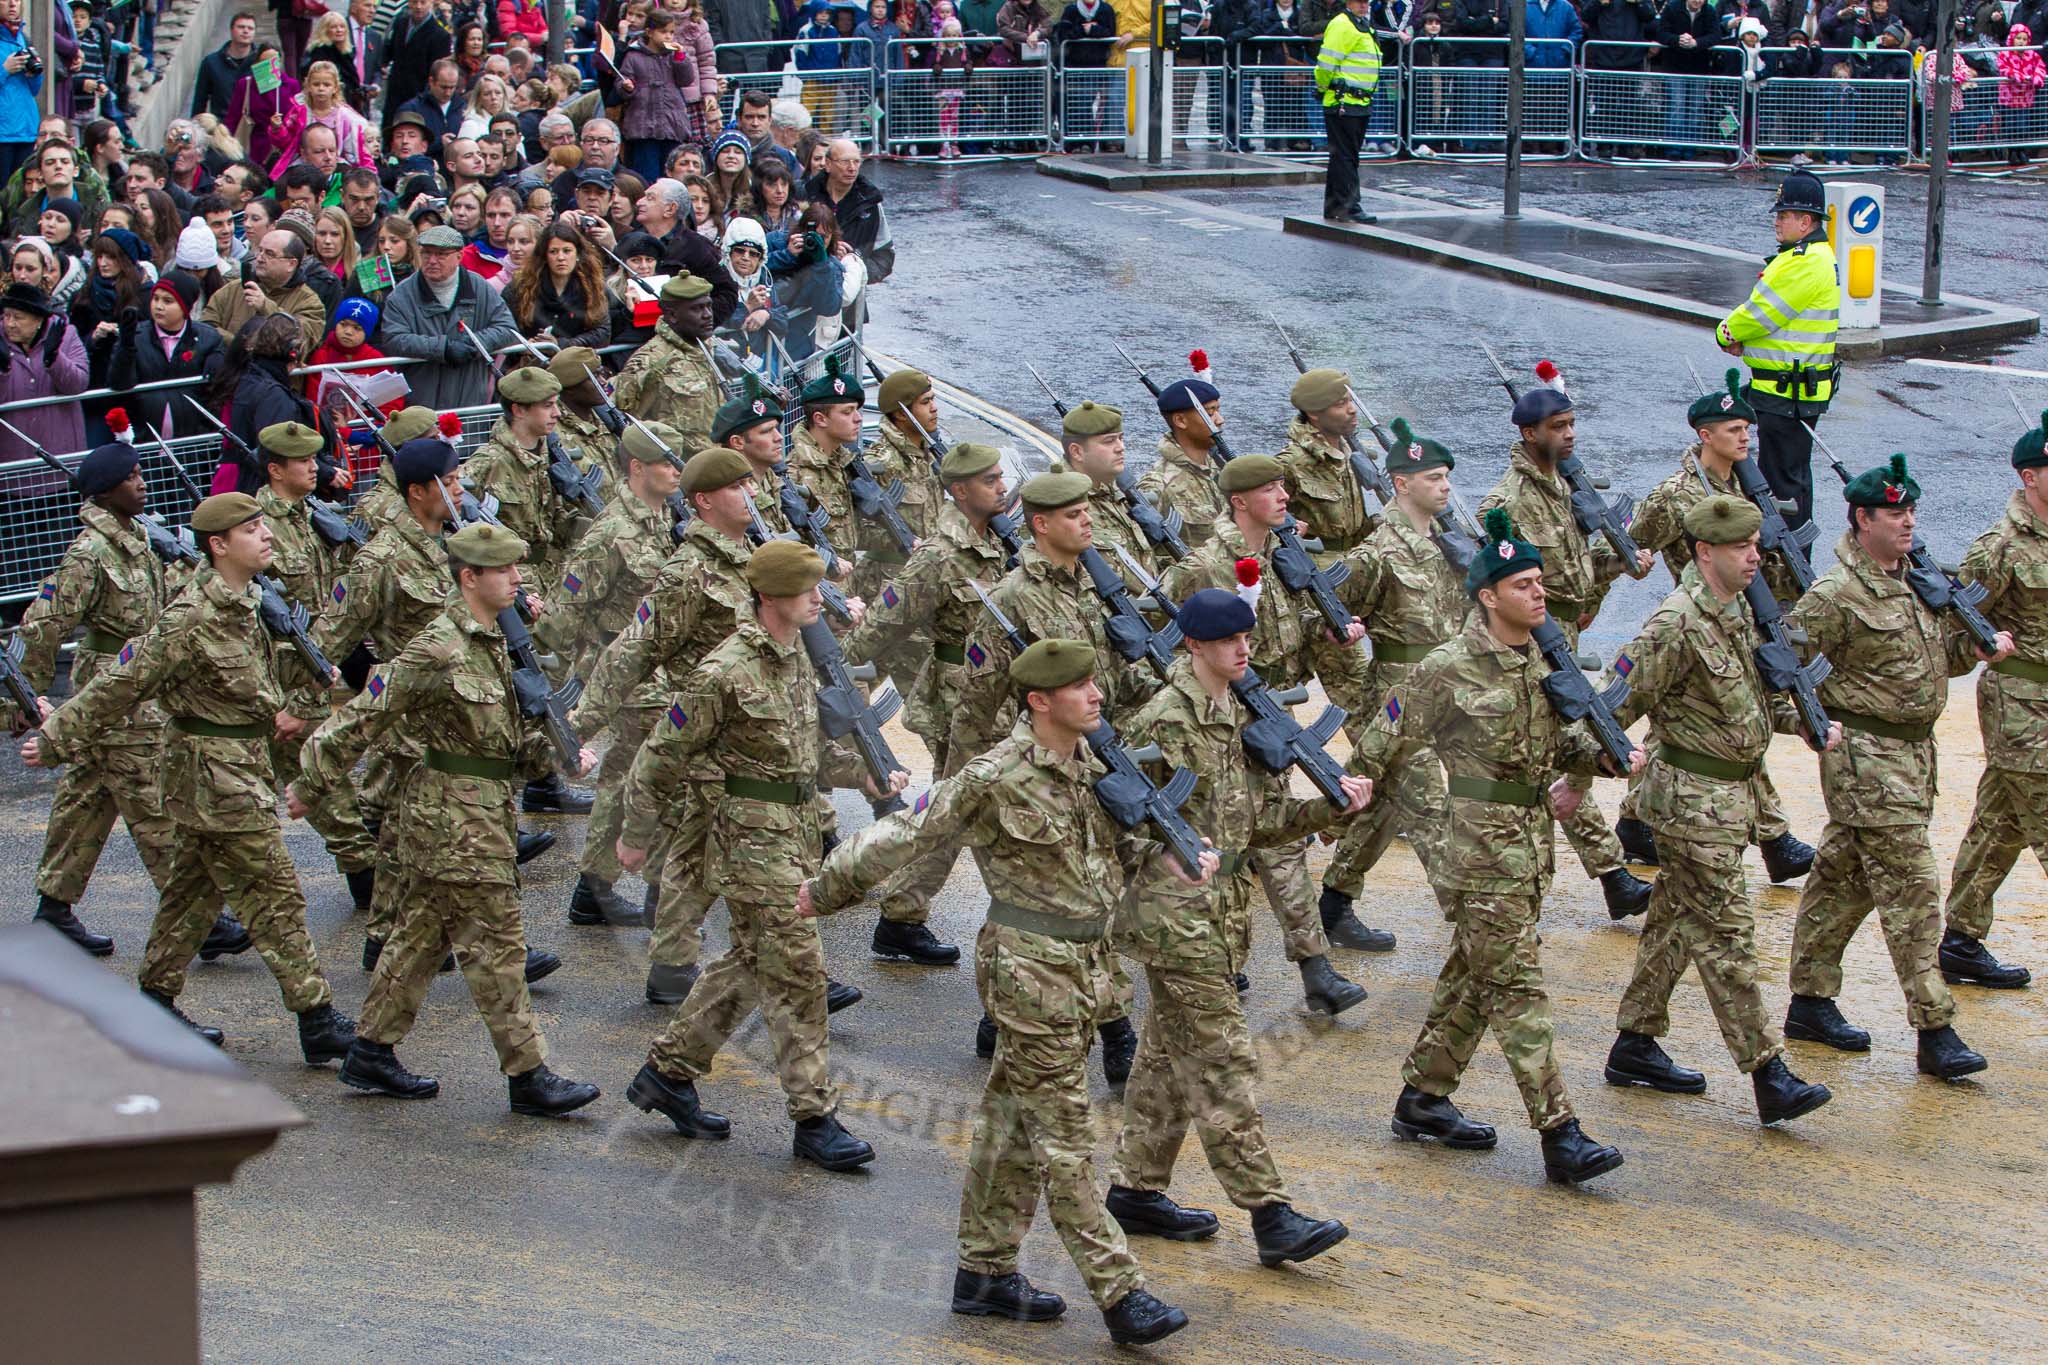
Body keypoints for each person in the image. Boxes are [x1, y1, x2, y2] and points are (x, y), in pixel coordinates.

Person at [803, 638, 1194, 1346]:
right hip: (1030, 973)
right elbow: (912, 829)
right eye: (1077, 686)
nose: (1095, 694)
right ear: (1039, 700)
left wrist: (1166, 852)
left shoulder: (1097, 767)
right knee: (1066, 1141)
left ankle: (983, 1273)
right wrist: (823, 889)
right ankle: (1120, 1291)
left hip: (1087, 968)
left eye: (1092, 681)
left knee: (1011, 1122)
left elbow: (1111, 855)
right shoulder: (996, 774)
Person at [1352, 509, 1634, 1183]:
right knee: (1515, 986)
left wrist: (1604, 756)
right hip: (1477, 850)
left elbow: (1563, 744)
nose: (1540, 593)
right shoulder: (1447, 667)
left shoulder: (1543, 657)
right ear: (1488, 594)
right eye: (1524, 584)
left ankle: (1423, 1096)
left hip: (1528, 844)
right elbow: (1379, 742)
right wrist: (1366, 799)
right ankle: (1559, 1132)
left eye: (1540, 582)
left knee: (1476, 976)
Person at [24, 492, 356, 1061]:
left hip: (238, 767)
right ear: (218, 545)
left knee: (191, 893)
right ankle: (317, 1017)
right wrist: (56, 738)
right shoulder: (189, 618)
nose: (266, 535)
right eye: (251, 530)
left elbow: (294, 670)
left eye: (263, 526)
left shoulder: (255, 602)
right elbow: (120, 684)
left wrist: (302, 696)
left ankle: (153, 1002)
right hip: (212, 777)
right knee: (275, 896)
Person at [298, 519, 602, 1117]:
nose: (518, 578)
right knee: (499, 945)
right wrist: (312, 780)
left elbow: (508, 739)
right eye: (505, 570)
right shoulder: (438, 645)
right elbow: (367, 712)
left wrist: (563, 756)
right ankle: (529, 1075)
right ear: (470, 577)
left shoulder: (497, 642)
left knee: (421, 935)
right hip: (453, 819)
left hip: (481, 806)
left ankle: (370, 1051)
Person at [620, 535, 903, 1169]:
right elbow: (662, 754)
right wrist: (635, 836)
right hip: (749, 839)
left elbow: (801, 754)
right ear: (771, 596)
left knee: (750, 961)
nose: (819, 601)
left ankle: (669, 1072)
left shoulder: (796, 656)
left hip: (793, 831)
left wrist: (862, 774)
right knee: (799, 968)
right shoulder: (724, 671)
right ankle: (814, 1118)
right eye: (808, 591)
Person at [1104, 587, 1362, 1261]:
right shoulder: (1167, 718)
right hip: (1174, 920)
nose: (1242, 648)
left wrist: (1331, 806)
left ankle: (1134, 1189)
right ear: (1193, 645)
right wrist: (1160, 852)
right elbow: (1115, 820)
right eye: (1227, 640)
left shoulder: (1237, 714)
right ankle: (1271, 1214)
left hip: (1220, 915)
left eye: (1246, 637)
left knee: (1164, 1058)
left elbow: (1259, 824)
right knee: (1224, 1062)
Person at [1600, 495, 1840, 1127]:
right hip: (1691, 810)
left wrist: (1804, 723)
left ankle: (1635, 1044)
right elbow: (1611, 708)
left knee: (1674, 923)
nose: (1755, 556)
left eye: (1756, 546)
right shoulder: (1675, 624)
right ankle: (1769, 1075)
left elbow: (1752, 702)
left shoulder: (1737, 614)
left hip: (1732, 803)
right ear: (1706, 551)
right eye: (1742, 548)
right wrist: (1577, 773)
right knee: (1729, 938)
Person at [1779, 456, 2004, 1079]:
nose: (1907, 523)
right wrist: (1802, 722)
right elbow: (1781, 669)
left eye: (1910, 512)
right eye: (1894, 513)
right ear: (1861, 519)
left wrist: (1975, 646)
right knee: (1913, 895)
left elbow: (1932, 661)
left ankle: (1810, 999)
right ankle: (1936, 1030)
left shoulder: (1916, 581)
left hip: (1912, 756)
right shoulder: (1834, 596)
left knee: (1842, 879)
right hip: (1866, 762)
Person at [1159, 454, 1378, 1009]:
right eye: (1270, 488)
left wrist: (1327, 634)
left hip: (1268, 711)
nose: (1284, 496)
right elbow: (1170, 644)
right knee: (1209, 839)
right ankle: (1208, 962)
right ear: (1238, 501)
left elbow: (1282, 631)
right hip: (1213, 717)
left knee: (1276, 840)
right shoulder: (1207, 566)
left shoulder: (1283, 556)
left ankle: (1315, 967)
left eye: (1283, 485)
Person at [1617, 369, 1816, 883]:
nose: (1745, 437)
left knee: (1704, 721)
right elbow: (1625, 546)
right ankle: (1775, 838)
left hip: (1746, 615)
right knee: (1726, 720)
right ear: (1705, 436)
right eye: (1733, 429)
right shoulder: (1675, 495)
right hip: (1697, 618)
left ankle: (1636, 819)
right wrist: (1593, 595)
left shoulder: (1753, 488)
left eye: (1747, 429)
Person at [1479, 375, 1655, 917]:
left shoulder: (1567, 487)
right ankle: (1610, 874)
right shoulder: (1506, 505)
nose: (1571, 434)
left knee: (1559, 748)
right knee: (1556, 746)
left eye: (1573, 423)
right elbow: (1510, 585)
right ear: (1529, 434)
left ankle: (1612, 878)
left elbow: (1575, 570)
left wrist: (1620, 567)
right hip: (1533, 640)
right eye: (1559, 427)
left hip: (1566, 632)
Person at [841, 439, 1008, 963]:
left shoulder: (1002, 543)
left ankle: (900, 916)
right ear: (959, 492)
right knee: (965, 811)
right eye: (989, 481)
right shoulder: (938, 556)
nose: (1002, 487)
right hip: (962, 703)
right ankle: (882, 899)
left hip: (999, 696)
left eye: (1002, 478)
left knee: (953, 811)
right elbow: (879, 627)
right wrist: (836, 677)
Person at [10, 442, 179, 957]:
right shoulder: (90, 553)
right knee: (152, 797)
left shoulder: (138, 538)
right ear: (106, 493)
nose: (143, 483)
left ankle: (54, 910)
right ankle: (196, 912)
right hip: (111, 693)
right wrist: (27, 695)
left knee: (87, 797)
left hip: (138, 683)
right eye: (132, 477)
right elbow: (43, 625)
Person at [1317, 420, 1464, 942]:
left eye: (1447, 477)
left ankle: (1333, 904)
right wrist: (1341, 639)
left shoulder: (1451, 546)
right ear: (1402, 484)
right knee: (1430, 809)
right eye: (1434, 478)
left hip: (1449, 690)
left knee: (1382, 805)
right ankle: (1476, 924)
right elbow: (1324, 616)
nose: (1446, 486)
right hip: (1401, 696)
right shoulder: (1375, 553)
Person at [556, 419, 685, 928]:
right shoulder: (610, 532)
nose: (676, 471)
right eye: (665, 463)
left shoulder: (659, 520)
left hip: (654, 669)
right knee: (630, 777)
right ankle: (604, 887)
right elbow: (568, 610)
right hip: (625, 673)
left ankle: (599, 887)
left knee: (631, 776)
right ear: (636, 468)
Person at [1938, 413, 2048, 990]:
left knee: (2002, 818)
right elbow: (1960, 623)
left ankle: (1960, 938)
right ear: (2030, 477)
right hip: (2019, 701)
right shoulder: (1998, 548)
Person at [1716, 170, 1838, 535]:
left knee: (1782, 487)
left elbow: (1761, 313)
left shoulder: (1803, 261)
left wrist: (1726, 334)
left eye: (1783, 215)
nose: (1777, 222)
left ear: (1806, 221)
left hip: (1786, 393)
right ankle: (1787, 559)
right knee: (1789, 480)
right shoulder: (1807, 256)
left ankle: (1788, 565)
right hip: (1788, 389)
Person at [378, 222, 522, 409]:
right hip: (422, 404)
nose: (432, 260)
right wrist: (443, 348)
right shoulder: (402, 295)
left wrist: (474, 344)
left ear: (459, 256)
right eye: (427, 253)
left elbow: (507, 329)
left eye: (441, 254)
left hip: (470, 399)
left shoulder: (479, 287)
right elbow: (394, 339)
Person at [109, 271, 226, 440]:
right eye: (155, 298)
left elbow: (219, 390)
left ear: (185, 306)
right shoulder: (136, 336)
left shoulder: (208, 339)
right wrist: (125, 348)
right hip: (145, 441)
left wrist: (218, 359)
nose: (158, 306)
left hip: (193, 441)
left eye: (168, 301)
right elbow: (119, 383)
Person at [611, 271, 721, 448]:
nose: (707, 314)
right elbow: (622, 420)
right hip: (675, 467)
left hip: (713, 459)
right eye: (697, 308)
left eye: (708, 306)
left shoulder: (705, 350)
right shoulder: (650, 360)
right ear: (672, 315)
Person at [202, 228, 328, 357]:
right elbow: (206, 327)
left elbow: (301, 340)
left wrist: (265, 306)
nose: (260, 258)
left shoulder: (310, 302)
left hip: (277, 376)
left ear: (291, 264)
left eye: (270, 254)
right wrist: (240, 344)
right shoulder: (232, 289)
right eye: (260, 250)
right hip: (231, 372)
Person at [1135, 377, 1227, 554]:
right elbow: (1152, 554)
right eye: (1210, 413)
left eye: (1218, 411)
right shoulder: (1159, 484)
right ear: (1180, 421)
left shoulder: (1223, 468)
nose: (1220, 420)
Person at [0, 283, 88, 468]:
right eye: (6, 316)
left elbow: (78, 384)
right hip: (12, 461)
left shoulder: (66, 335)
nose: (10, 324)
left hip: (61, 457)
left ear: (38, 319)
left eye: (18, 317)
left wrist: (55, 359)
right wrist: (3, 370)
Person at [1313, 0, 1381, 224]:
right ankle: (1349, 206)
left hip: (1357, 101)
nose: (1363, 5)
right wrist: (1323, 87)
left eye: (1366, 2)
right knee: (1346, 156)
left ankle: (1334, 205)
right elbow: (1326, 62)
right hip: (1343, 101)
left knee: (1343, 155)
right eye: (1358, 1)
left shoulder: (1360, 24)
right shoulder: (1342, 24)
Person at [615, 9, 701, 182]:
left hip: (672, 123)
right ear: (649, 32)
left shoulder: (673, 55)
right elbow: (622, 82)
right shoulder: (633, 55)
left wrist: (680, 57)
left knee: (673, 171)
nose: (668, 37)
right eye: (663, 32)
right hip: (643, 126)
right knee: (646, 175)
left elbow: (686, 79)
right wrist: (627, 87)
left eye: (671, 32)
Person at [504, 221, 612, 350]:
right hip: (529, 361)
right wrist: (527, 344)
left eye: (567, 251)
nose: (561, 257)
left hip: (576, 361)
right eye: (553, 251)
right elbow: (504, 327)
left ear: (577, 254)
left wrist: (561, 345)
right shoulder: (520, 287)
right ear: (545, 256)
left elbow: (603, 332)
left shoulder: (593, 286)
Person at [806, 137, 892, 283]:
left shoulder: (870, 203)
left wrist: (854, 267)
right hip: (809, 288)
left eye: (857, 161)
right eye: (845, 161)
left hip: (853, 293)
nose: (852, 168)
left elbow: (884, 256)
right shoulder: (806, 198)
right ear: (828, 164)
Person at [192, 9, 261, 120]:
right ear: (231, 30)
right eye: (241, 27)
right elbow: (200, 101)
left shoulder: (261, 63)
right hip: (222, 127)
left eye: (250, 28)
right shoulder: (211, 63)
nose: (246, 31)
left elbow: (272, 98)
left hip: (254, 126)